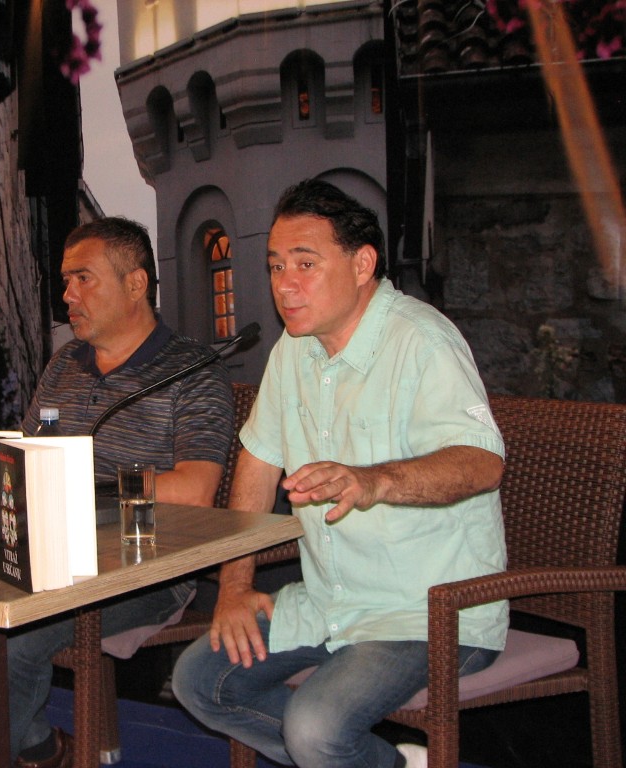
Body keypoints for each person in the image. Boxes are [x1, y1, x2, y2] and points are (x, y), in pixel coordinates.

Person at [0, 216, 234, 768]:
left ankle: (9, 748)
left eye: (84, 279)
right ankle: (38, 745)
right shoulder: (64, 366)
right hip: (39, 552)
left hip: (144, 569)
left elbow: (197, 490)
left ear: (136, 284)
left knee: (12, 637)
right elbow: (23, 461)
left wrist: (81, 482)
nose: (67, 295)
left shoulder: (192, 371)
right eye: (66, 281)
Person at [171, 179, 508, 768]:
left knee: (314, 726)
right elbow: (257, 465)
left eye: (305, 263)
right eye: (276, 266)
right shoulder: (293, 349)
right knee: (200, 681)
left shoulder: (422, 341)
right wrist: (235, 588)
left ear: (362, 265)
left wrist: (373, 480)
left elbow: (482, 463)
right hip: (331, 601)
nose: (284, 284)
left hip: (429, 611)